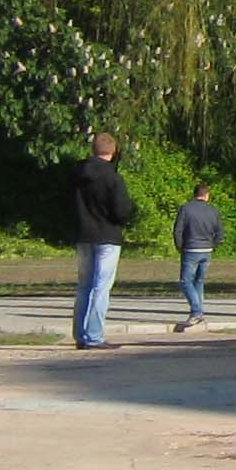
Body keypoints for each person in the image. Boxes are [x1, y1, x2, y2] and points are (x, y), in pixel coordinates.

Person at [71, 131, 137, 350]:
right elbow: (121, 210)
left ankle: (81, 334)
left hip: (83, 233)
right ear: (113, 151)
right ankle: (95, 335)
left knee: (84, 286)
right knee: (101, 287)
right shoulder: (113, 178)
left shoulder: (77, 174)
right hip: (107, 235)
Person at [172, 182, 224, 332]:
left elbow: (178, 230)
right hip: (207, 249)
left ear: (195, 194)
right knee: (199, 281)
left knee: (185, 281)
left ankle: (196, 311)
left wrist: (180, 246)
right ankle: (199, 311)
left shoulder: (186, 209)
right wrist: (213, 245)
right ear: (207, 195)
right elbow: (220, 233)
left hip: (191, 248)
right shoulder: (213, 211)